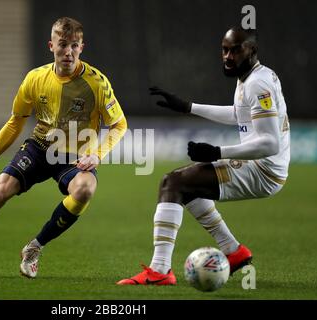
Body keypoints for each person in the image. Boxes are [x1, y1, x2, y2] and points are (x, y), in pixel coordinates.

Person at [0, 17, 127, 279]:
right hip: (39, 147)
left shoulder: (96, 83)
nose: (68, 52)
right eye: (62, 44)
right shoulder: (35, 79)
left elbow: (119, 124)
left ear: (82, 47)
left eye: (74, 45)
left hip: (75, 157)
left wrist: (97, 155)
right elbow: (14, 124)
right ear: (51, 45)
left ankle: (35, 247)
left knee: (85, 189)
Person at [117, 26, 290, 285]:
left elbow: (270, 143)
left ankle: (160, 270)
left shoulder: (258, 84)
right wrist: (188, 107)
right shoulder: (251, 77)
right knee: (187, 185)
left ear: (252, 50)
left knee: (172, 183)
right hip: (263, 167)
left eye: (235, 50)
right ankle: (234, 252)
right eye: (225, 50)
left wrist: (218, 151)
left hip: (264, 170)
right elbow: (238, 113)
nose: (228, 56)